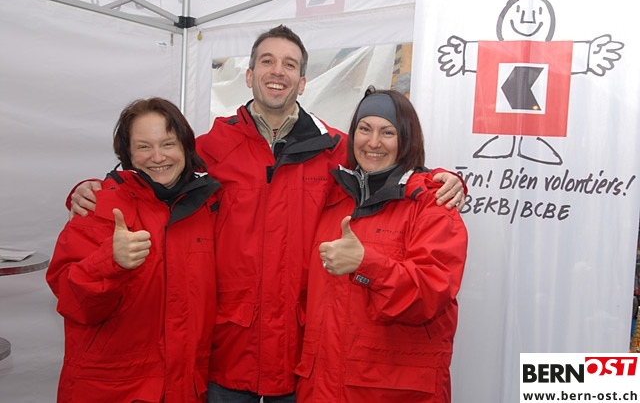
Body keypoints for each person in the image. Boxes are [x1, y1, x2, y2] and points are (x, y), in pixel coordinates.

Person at [68, 25, 466, 402]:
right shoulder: (212, 147)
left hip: (299, 351)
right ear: (249, 74)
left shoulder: (334, 149)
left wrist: (443, 181)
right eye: (267, 61)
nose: (278, 72)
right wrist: (89, 188)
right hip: (227, 349)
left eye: (289, 64)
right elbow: (154, 172)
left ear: (303, 81)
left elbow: (388, 165)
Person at [295, 87, 468, 402]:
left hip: (390, 392)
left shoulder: (431, 204)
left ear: (406, 139)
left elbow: (431, 292)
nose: (373, 142)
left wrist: (366, 265)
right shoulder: (334, 197)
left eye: (387, 132)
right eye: (364, 129)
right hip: (322, 388)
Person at [46, 98, 221, 403]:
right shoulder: (99, 206)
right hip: (111, 390)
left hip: (183, 387)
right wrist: (109, 262)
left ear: (185, 147)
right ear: (127, 153)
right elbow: (72, 302)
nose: (158, 157)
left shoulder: (208, 207)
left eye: (168, 144)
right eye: (144, 147)